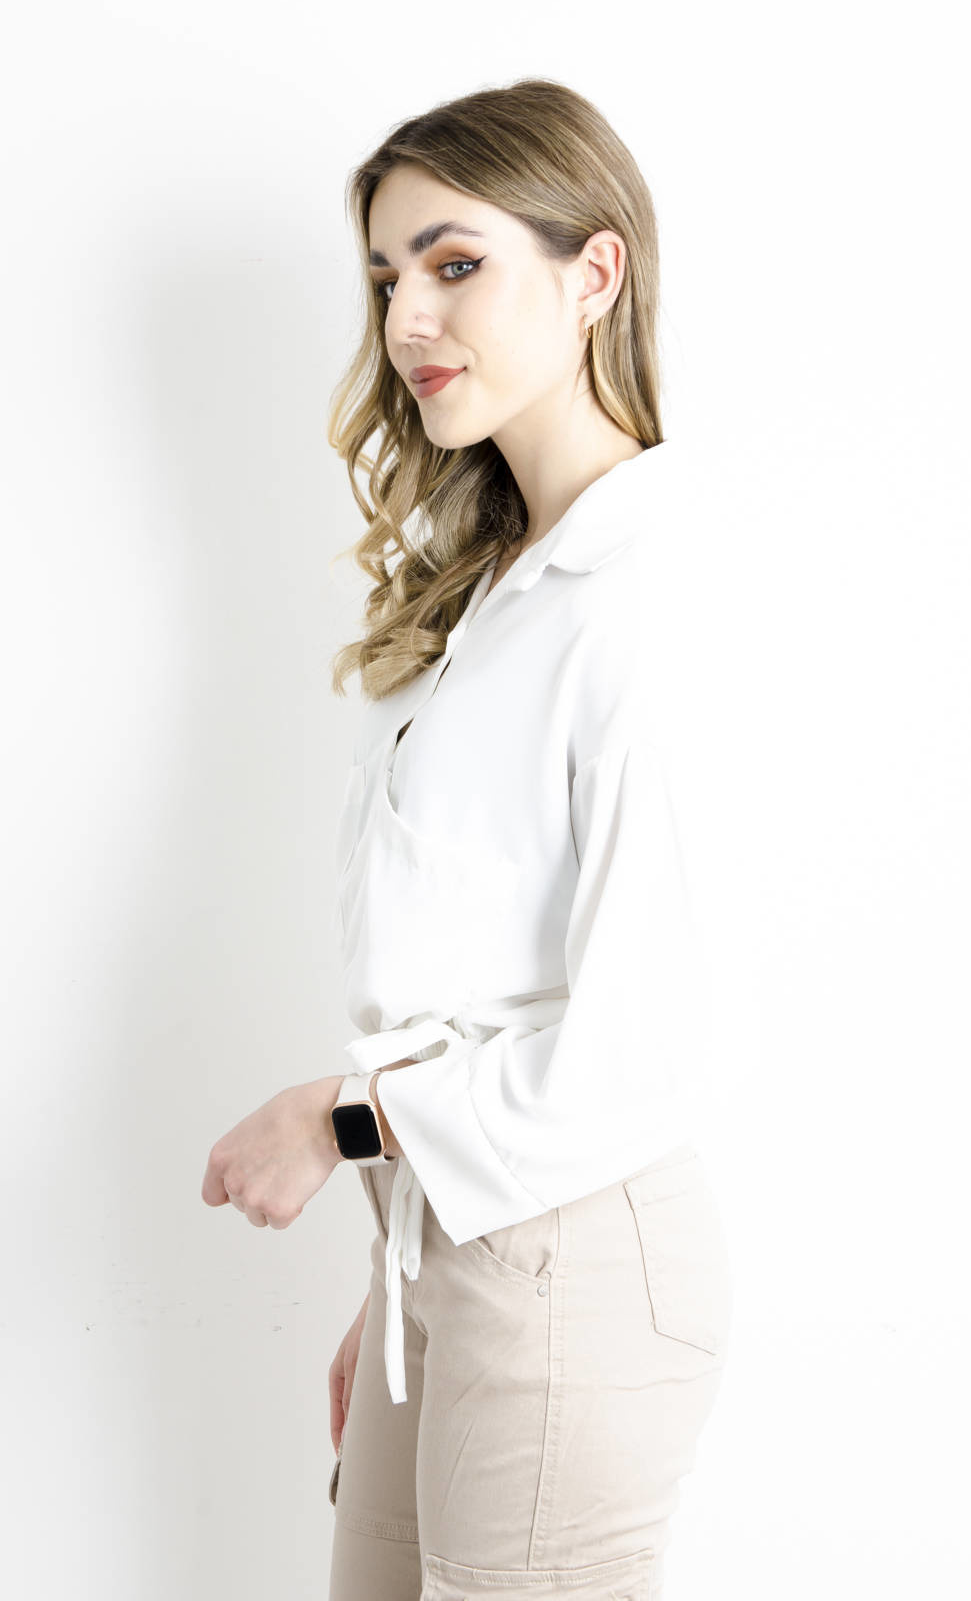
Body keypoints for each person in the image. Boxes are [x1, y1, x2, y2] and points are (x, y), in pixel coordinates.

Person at [203, 77, 734, 1601]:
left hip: (574, 1261)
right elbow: (477, 975)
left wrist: (338, 1122)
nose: (408, 321)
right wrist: (403, 1274)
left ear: (594, 272)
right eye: (387, 278)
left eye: (454, 264)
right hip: (455, 1245)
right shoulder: (499, 585)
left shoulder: (645, 593)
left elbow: (637, 1049)